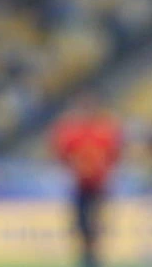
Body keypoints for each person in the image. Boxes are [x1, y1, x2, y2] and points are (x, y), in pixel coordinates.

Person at [51, 92, 122, 267]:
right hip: (79, 184)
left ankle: (93, 256)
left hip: (98, 184)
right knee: (80, 222)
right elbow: (61, 153)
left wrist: (104, 171)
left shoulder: (105, 130)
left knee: (95, 222)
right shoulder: (71, 131)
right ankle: (86, 255)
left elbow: (114, 154)